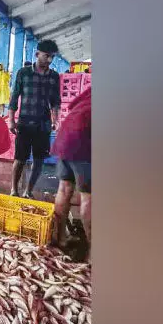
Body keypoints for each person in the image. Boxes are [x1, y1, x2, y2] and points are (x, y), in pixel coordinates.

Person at [8, 39, 61, 198]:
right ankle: (14, 190)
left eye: (52, 57)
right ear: (37, 54)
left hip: (43, 125)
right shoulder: (23, 73)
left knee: (38, 160)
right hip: (24, 123)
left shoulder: (54, 76)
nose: (50, 60)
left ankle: (28, 191)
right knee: (20, 159)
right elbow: (14, 98)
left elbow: (55, 101)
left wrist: (55, 120)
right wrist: (11, 120)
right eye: (47, 56)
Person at [50, 85, 91, 257]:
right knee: (89, 196)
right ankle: (93, 251)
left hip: (65, 136)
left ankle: (60, 240)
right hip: (83, 140)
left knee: (64, 188)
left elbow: (72, 105)